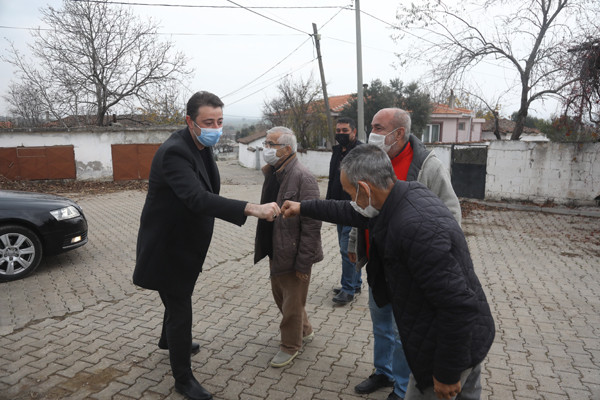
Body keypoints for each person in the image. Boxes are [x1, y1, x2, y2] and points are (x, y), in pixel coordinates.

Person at [281, 144, 495, 400]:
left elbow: (458, 306)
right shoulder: (402, 196)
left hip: (448, 349)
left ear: (365, 189)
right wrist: (303, 207)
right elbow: (347, 211)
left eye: (351, 193)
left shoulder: (415, 227)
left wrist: (447, 373)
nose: (352, 200)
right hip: (455, 340)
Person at [133, 91, 280, 400]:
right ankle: (183, 379)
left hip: (184, 241)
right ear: (190, 121)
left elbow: (207, 190)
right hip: (167, 246)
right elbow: (196, 197)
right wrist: (252, 208)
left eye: (220, 121)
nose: (216, 128)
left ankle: (168, 340)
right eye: (208, 122)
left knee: (174, 297)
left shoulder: (201, 146)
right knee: (180, 305)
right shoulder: (175, 152)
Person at [350, 108, 462, 399]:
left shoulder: (428, 166)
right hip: (378, 263)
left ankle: (401, 389)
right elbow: (359, 205)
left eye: (378, 127)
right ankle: (383, 372)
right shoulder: (373, 159)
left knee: (404, 334)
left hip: (409, 270)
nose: (371, 133)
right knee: (381, 325)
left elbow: (451, 214)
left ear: (398, 133)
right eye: (372, 126)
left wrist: (438, 257)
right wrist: (354, 243)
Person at [254, 126, 323, 368]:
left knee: (291, 303)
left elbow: (312, 224)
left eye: (270, 144)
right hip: (276, 248)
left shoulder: (303, 177)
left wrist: (304, 263)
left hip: (294, 252)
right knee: (283, 297)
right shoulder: (274, 172)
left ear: (286, 149)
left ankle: (290, 345)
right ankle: (305, 330)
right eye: (266, 143)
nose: (266, 148)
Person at [326, 117, 363, 306]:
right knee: (350, 247)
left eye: (344, 131)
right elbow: (333, 178)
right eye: (338, 130)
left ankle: (347, 289)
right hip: (338, 207)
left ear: (354, 132)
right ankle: (355, 284)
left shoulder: (360, 152)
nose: (340, 134)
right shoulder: (337, 151)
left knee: (347, 249)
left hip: (353, 207)